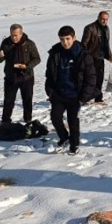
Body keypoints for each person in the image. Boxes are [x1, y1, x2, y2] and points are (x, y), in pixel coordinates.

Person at [44, 26, 97, 154]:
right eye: (62, 39)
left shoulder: (83, 54)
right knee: (55, 117)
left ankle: (74, 144)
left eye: (68, 39)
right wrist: (50, 91)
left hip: (75, 96)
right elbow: (49, 74)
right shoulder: (55, 53)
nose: (65, 42)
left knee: (73, 121)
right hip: (58, 94)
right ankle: (64, 138)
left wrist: (84, 96)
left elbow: (91, 77)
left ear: (74, 38)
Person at [0, 24, 41, 124]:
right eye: (12, 35)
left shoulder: (29, 44)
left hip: (26, 77)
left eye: (16, 35)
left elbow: (37, 59)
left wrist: (27, 66)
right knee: (8, 100)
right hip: (11, 77)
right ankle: (6, 120)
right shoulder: (6, 43)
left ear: (21, 33)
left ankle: (27, 119)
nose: (13, 37)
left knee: (27, 100)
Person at [81, 11, 112, 104]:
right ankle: (84, 98)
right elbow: (83, 44)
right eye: (102, 19)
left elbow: (106, 44)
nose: (104, 21)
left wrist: (109, 56)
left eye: (106, 19)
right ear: (98, 18)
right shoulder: (90, 28)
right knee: (89, 79)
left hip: (100, 57)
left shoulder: (106, 29)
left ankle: (98, 98)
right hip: (91, 58)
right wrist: (86, 57)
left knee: (99, 78)